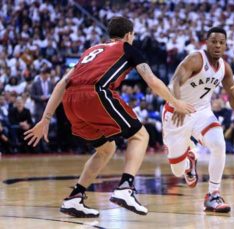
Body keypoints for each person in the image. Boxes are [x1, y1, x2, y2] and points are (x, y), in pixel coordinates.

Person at [24, 16, 195, 217]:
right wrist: (176, 103)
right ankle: (125, 188)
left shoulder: (90, 51)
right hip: (96, 93)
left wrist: (45, 119)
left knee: (106, 148)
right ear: (129, 35)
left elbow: (62, 83)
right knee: (140, 136)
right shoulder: (128, 48)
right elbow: (152, 80)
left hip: (70, 101)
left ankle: (75, 198)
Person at [162, 27, 234, 213]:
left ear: (226, 45)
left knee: (219, 144)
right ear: (206, 43)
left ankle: (213, 194)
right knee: (177, 171)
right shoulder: (195, 59)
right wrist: (178, 103)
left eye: (222, 42)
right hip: (177, 112)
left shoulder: (224, 68)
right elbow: (175, 81)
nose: (218, 45)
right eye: (214, 41)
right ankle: (189, 161)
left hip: (202, 112)